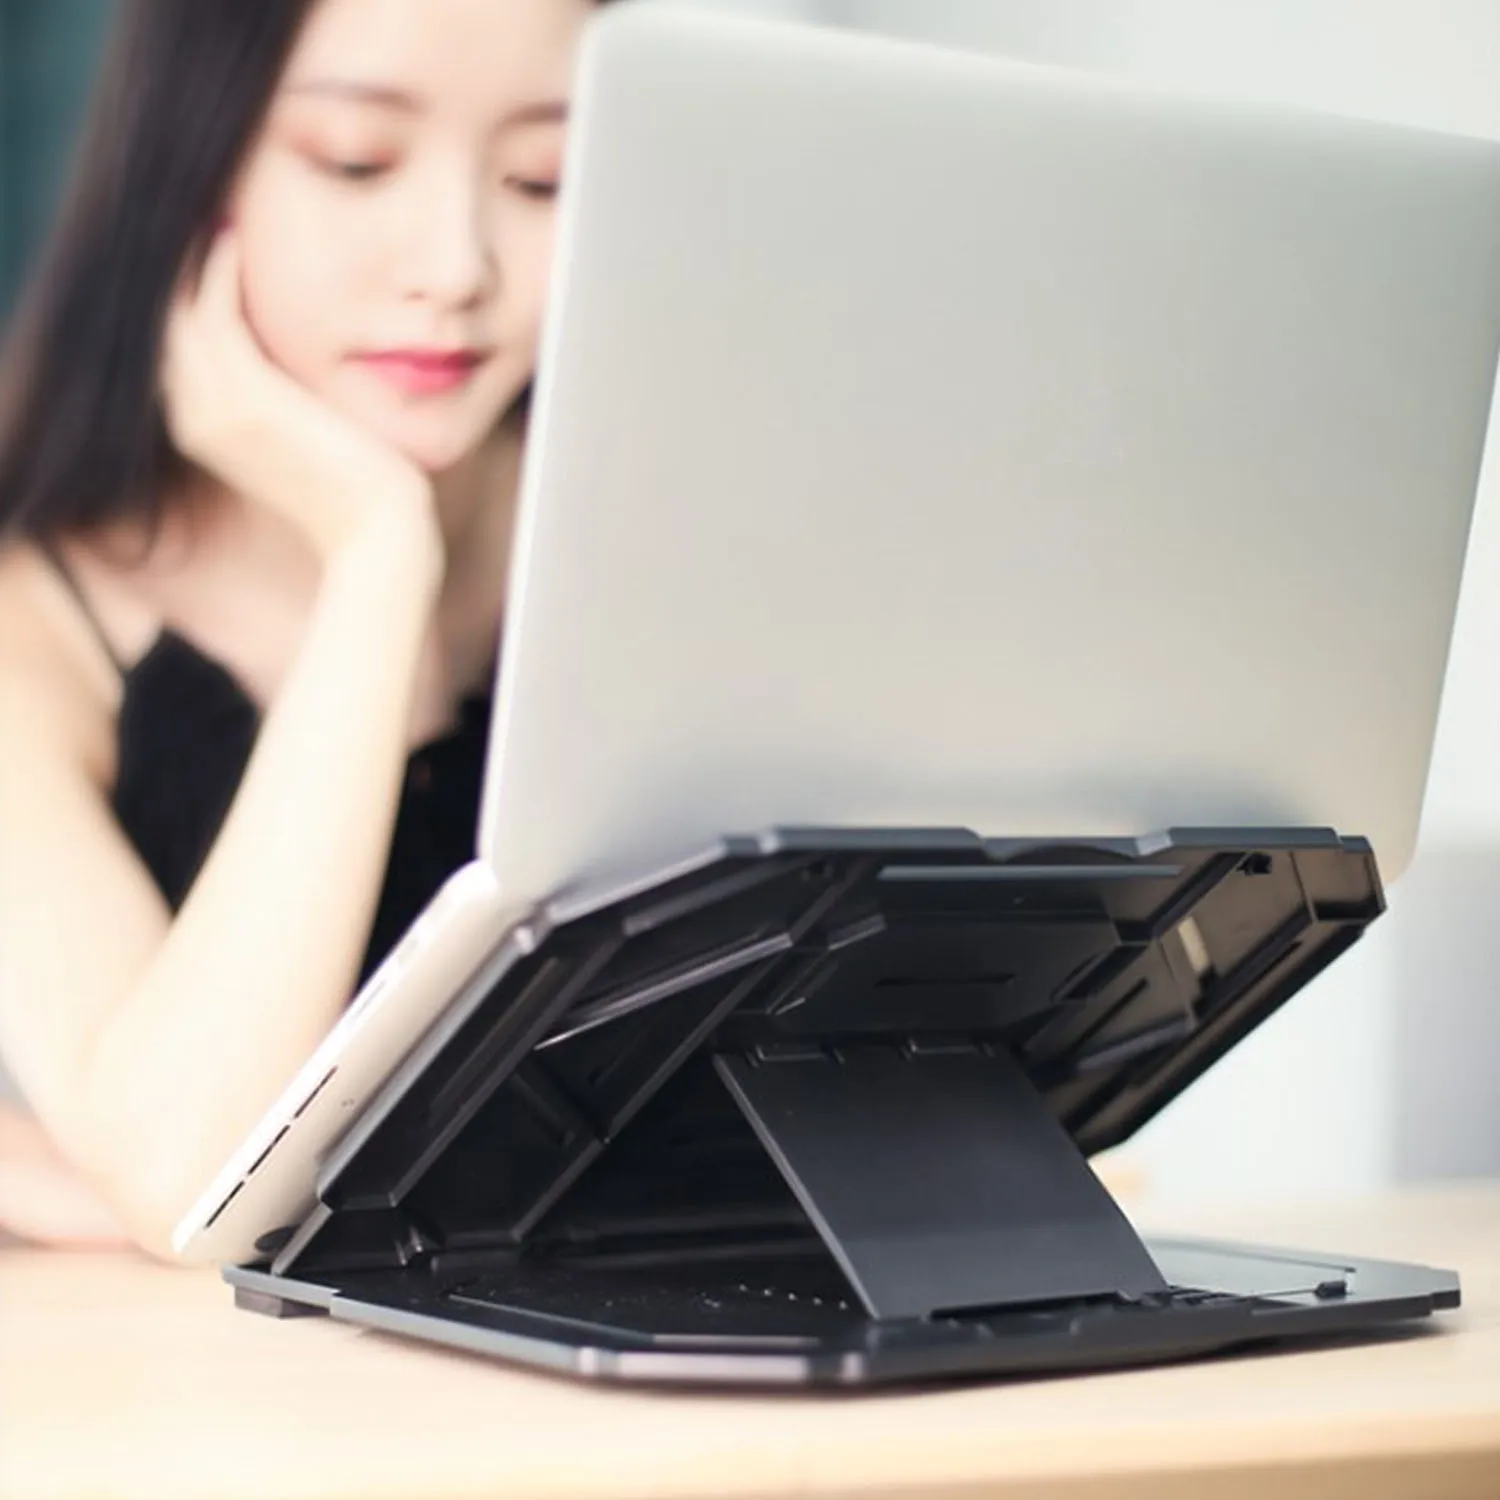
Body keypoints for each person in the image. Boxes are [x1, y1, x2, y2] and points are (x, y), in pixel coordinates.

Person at [0, 0, 611, 1258]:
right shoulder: (36, 623)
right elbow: (192, 1178)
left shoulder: (640, 533)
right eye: (355, 161)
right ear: (189, 172)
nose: (454, 265)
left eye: (542, 177)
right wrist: (377, 555)